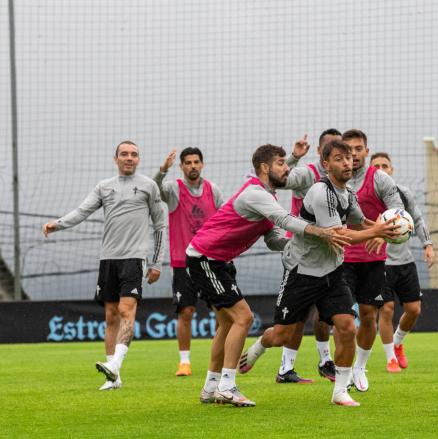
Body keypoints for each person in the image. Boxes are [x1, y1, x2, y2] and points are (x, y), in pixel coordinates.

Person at [239, 140, 400, 406]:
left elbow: (360, 222)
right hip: (302, 271)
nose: (347, 162)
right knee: (281, 335)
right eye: (339, 158)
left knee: (348, 327)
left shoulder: (348, 193)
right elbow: (340, 235)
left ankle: (339, 392)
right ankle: (259, 347)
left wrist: (388, 228)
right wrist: (378, 232)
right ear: (326, 165)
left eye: (349, 158)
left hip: (332, 272)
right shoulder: (320, 192)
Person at [188, 143, 350, 407]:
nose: (287, 168)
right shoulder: (255, 193)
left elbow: (274, 239)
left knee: (227, 324)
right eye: (281, 163)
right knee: (244, 317)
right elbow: (284, 220)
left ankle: (210, 388)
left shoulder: (265, 196)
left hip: (217, 261)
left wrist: (303, 246)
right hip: (205, 258)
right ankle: (227, 386)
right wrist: (321, 233)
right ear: (265, 167)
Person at [42, 141, 165, 390]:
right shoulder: (104, 187)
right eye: (124, 154)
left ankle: (116, 363)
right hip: (108, 260)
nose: (129, 158)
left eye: (134, 155)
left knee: (126, 310)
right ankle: (114, 377)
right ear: (115, 158)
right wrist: (59, 224)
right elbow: (82, 210)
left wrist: (156, 263)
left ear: (138, 159)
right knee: (110, 315)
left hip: (134, 258)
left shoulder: (149, 186)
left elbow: (160, 225)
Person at [275, 128, 343, 383]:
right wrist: (293, 157)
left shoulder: (341, 181)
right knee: (298, 316)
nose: (335, 153)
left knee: (327, 313)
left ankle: (326, 361)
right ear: (320, 153)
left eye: (339, 148)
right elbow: (280, 179)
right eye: (329, 148)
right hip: (302, 255)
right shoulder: (307, 174)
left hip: (328, 254)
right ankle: (285, 368)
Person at [341, 129, 404, 392]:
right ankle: (339, 372)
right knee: (342, 319)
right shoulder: (331, 181)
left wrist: (384, 236)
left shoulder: (380, 180)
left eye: (358, 149)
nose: (353, 154)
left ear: (367, 151)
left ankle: (359, 367)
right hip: (340, 258)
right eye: (348, 150)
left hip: (373, 261)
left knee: (368, 316)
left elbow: (398, 214)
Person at [153, 147, 223, 377]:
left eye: (196, 162)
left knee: (221, 311)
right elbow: (154, 190)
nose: (193, 166)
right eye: (188, 162)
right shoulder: (174, 190)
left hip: (210, 261)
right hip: (183, 262)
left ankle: (219, 357)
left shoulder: (213, 190)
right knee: (186, 311)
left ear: (202, 164)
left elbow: (225, 220)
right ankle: (184, 362)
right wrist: (163, 169)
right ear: (181, 166)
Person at [370, 152, 435, 372]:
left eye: (384, 165)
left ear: (391, 170)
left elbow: (416, 218)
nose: (380, 169)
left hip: (405, 262)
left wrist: (428, 244)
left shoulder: (402, 194)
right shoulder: (366, 195)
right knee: (386, 309)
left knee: (414, 309)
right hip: (379, 264)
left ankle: (398, 343)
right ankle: (391, 359)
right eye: (376, 165)